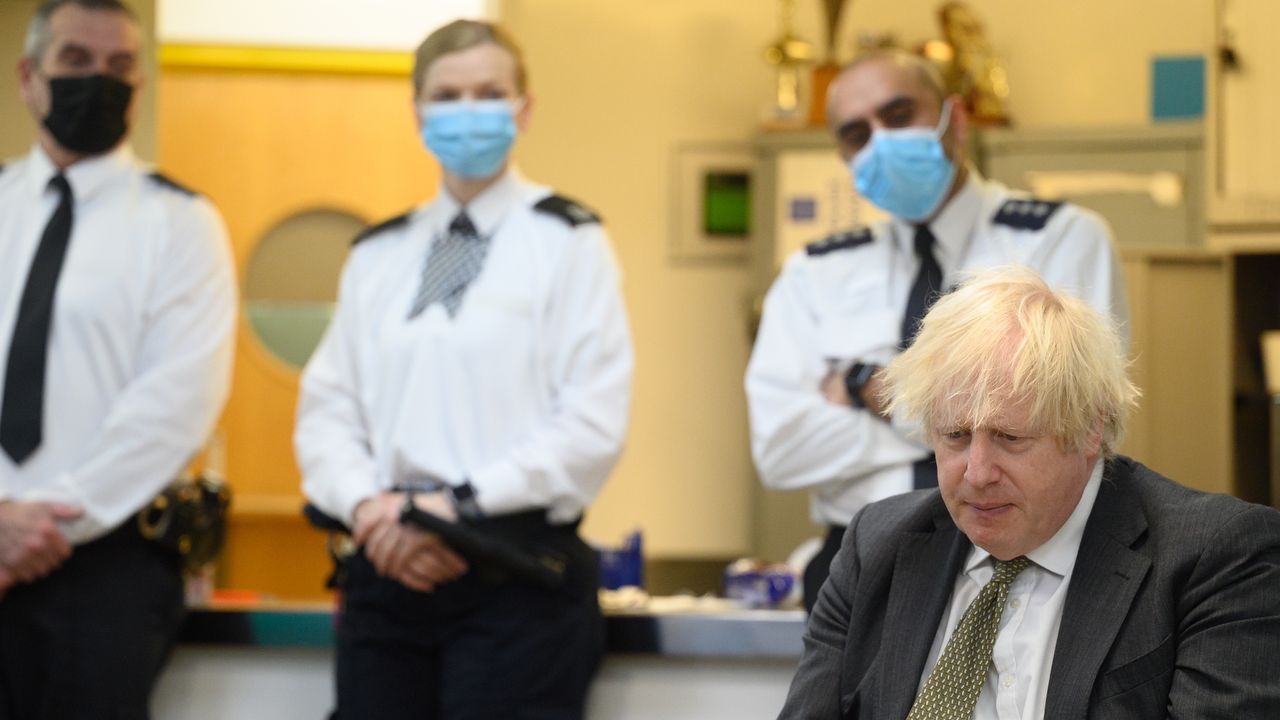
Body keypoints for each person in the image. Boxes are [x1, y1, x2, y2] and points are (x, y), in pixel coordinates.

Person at [294, 18, 633, 720]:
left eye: (490, 91)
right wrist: (369, 509)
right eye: (448, 95)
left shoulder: (570, 240)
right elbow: (327, 409)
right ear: (418, 112)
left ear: (525, 107)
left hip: (515, 576)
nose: (470, 110)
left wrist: (455, 510)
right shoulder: (375, 255)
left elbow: (591, 421)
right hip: (385, 576)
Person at [777, 265, 1280, 719]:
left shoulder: (1217, 558)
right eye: (954, 437)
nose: (976, 473)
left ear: (1088, 429)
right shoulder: (876, 545)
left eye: (1009, 438)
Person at [745, 48, 1128, 610]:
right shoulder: (814, 272)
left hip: (1025, 565)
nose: (881, 141)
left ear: (957, 120)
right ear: (844, 156)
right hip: (858, 564)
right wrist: (974, 420)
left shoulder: (1060, 240)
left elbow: (1077, 421)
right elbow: (780, 450)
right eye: (857, 133)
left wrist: (863, 388)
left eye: (899, 116)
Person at [0, 0, 236, 716]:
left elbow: (172, 408)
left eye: (120, 67)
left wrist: (40, 527)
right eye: (75, 60)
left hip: (105, 570)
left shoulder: (181, 224)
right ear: (27, 76)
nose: (98, 80)